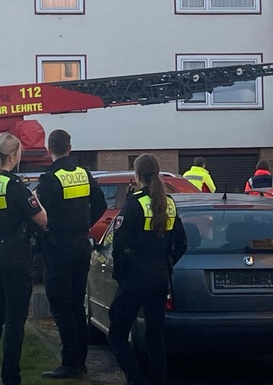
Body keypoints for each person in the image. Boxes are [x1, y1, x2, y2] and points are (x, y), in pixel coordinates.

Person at [0, 132, 49, 385]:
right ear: (14, 155)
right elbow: (41, 220)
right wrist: (35, 199)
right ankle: (11, 379)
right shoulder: (14, 185)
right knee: (15, 321)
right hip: (14, 253)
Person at [108, 154, 188, 385]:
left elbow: (119, 244)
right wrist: (167, 263)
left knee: (117, 333)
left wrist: (120, 276)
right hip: (160, 276)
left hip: (135, 277)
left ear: (137, 175)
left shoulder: (134, 203)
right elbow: (182, 243)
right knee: (155, 336)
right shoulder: (169, 202)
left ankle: (135, 379)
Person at [36, 129, 108, 379]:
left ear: (49, 150)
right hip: (81, 244)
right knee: (77, 304)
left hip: (58, 246)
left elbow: (38, 214)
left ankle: (70, 362)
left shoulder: (49, 178)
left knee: (60, 304)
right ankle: (81, 360)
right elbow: (101, 204)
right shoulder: (84, 174)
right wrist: (84, 224)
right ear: (70, 147)